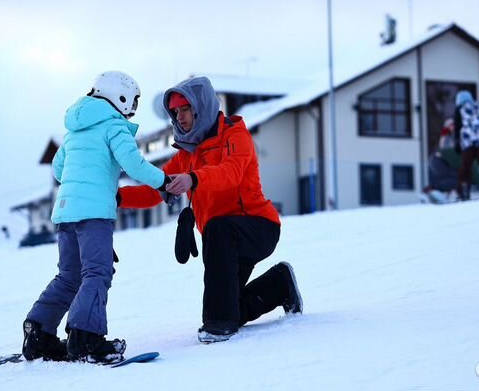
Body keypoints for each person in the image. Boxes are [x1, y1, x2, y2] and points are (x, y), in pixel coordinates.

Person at [118, 76, 302, 343]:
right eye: (175, 111)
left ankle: (219, 323)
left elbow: (232, 172)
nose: (179, 117)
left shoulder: (235, 134)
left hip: (258, 226)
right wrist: (115, 198)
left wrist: (194, 179)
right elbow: (153, 189)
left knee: (217, 233)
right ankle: (279, 285)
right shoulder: (187, 154)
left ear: (200, 106)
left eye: (184, 109)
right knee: (232, 307)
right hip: (223, 241)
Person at [22, 71, 169, 364]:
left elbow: (58, 168)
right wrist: (163, 181)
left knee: (70, 276)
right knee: (97, 273)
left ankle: (38, 332)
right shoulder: (114, 126)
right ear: (121, 97)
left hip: (66, 213)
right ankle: (86, 337)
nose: (133, 108)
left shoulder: (76, 129)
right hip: (94, 215)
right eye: (134, 101)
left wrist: (82, 183)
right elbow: (134, 164)